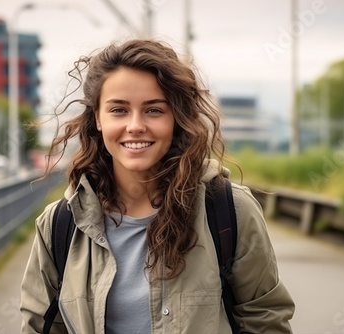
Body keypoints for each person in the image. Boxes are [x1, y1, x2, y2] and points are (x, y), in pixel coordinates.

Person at [20, 38, 294, 333]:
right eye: (118, 110)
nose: (136, 125)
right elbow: (40, 327)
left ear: (176, 118)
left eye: (153, 110)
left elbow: (266, 319)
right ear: (97, 118)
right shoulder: (59, 226)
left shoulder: (229, 211)